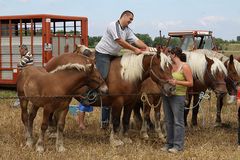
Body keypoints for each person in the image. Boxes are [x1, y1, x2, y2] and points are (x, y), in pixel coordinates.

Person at [95, 10, 149, 129]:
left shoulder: (127, 30)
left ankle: (114, 94)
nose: (130, 22)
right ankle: (94, 94)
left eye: (131, 20)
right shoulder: (113, 25)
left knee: (121, 76)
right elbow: (119, 41)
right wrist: (135, 50)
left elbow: (136, 41)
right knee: (103, 75)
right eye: (130, 19)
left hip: (114, 54)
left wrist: (146, 48)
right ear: (124, 16)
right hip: (103, 54)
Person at [161, 47, 193, 153]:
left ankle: (178, 145)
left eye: (170, 54)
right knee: (168, 121)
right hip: (166, 95)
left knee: (178, 121)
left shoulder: (185, 67)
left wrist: (177, 82)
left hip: (178, 96)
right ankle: (169, 144)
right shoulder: (170, 66)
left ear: (174, 55)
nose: (169, 56)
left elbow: (190, 83)